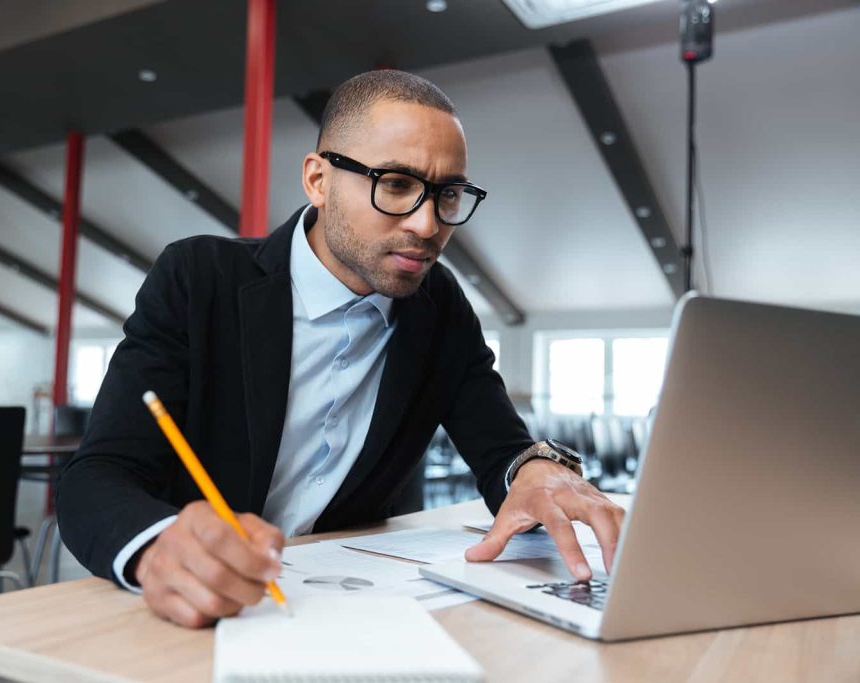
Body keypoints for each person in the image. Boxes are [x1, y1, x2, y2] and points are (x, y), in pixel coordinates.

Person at [57, 70, 624, 629]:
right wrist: (158, 548)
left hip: (343, 611)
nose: (427, 225)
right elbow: (97, 477)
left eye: (447, 193)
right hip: (193, 615)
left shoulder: (438, 305)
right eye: (396, 184)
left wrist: (538, 474)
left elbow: (503, 453)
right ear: (318, 180)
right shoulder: (198, 278)